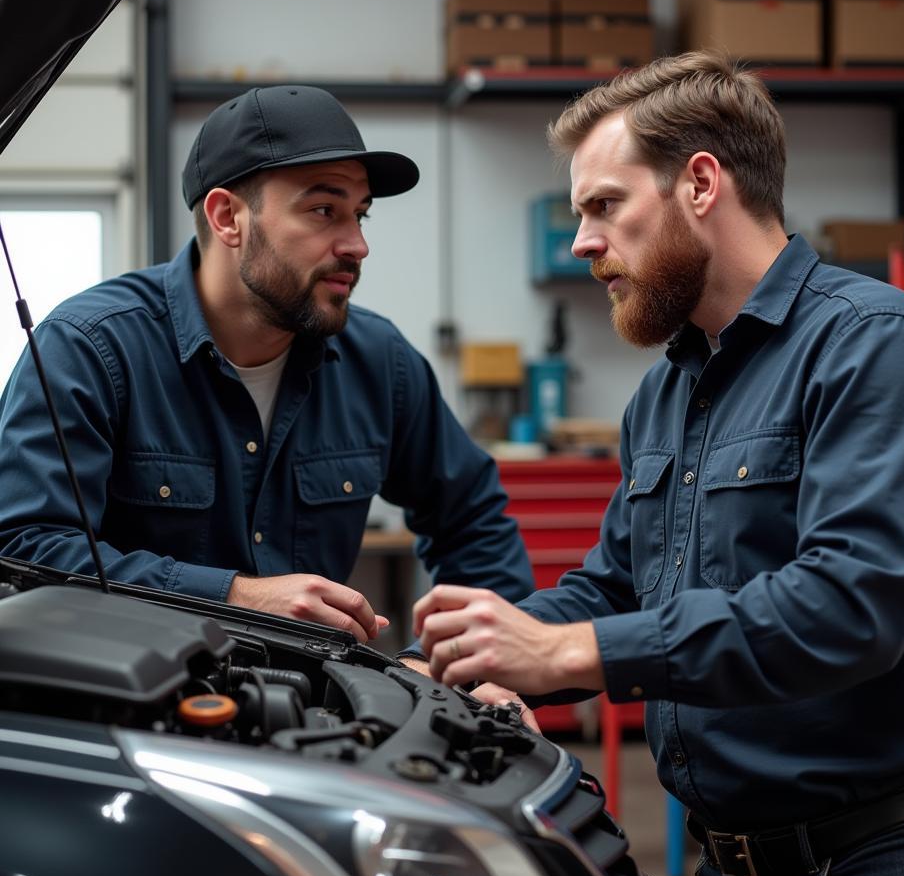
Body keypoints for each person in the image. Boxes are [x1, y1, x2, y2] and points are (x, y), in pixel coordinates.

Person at [411, 52, 904, 876]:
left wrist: (569, 653)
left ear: (701, 184)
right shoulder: (667, 393)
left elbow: (850, 606)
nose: (582, 240)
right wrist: (481, 652)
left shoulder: (877, 349)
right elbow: (619, 583)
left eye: (604, 205)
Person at [0, 85, 533, 640]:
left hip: (313, 712)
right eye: (324, 210)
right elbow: (23, 552)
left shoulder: (380, 362)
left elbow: (473, 522)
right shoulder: (89, 350)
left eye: (360, 215)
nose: (357, 245)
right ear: (228, 217)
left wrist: (461, 666)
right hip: (126, 698)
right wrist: (234, 596)